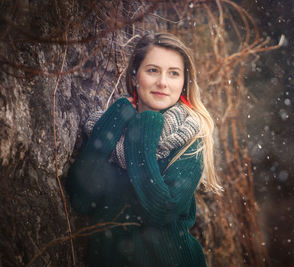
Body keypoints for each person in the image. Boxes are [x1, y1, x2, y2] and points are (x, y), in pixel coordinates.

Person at [66, 32, 223, 267]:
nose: (163, 82)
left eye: (173, 73)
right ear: (135, 74)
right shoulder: (112, 125)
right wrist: (113, 121)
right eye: (152, 70)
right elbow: (81, 198)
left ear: (183, 83)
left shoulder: (190, 140)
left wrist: (143, 130)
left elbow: (161, 211)